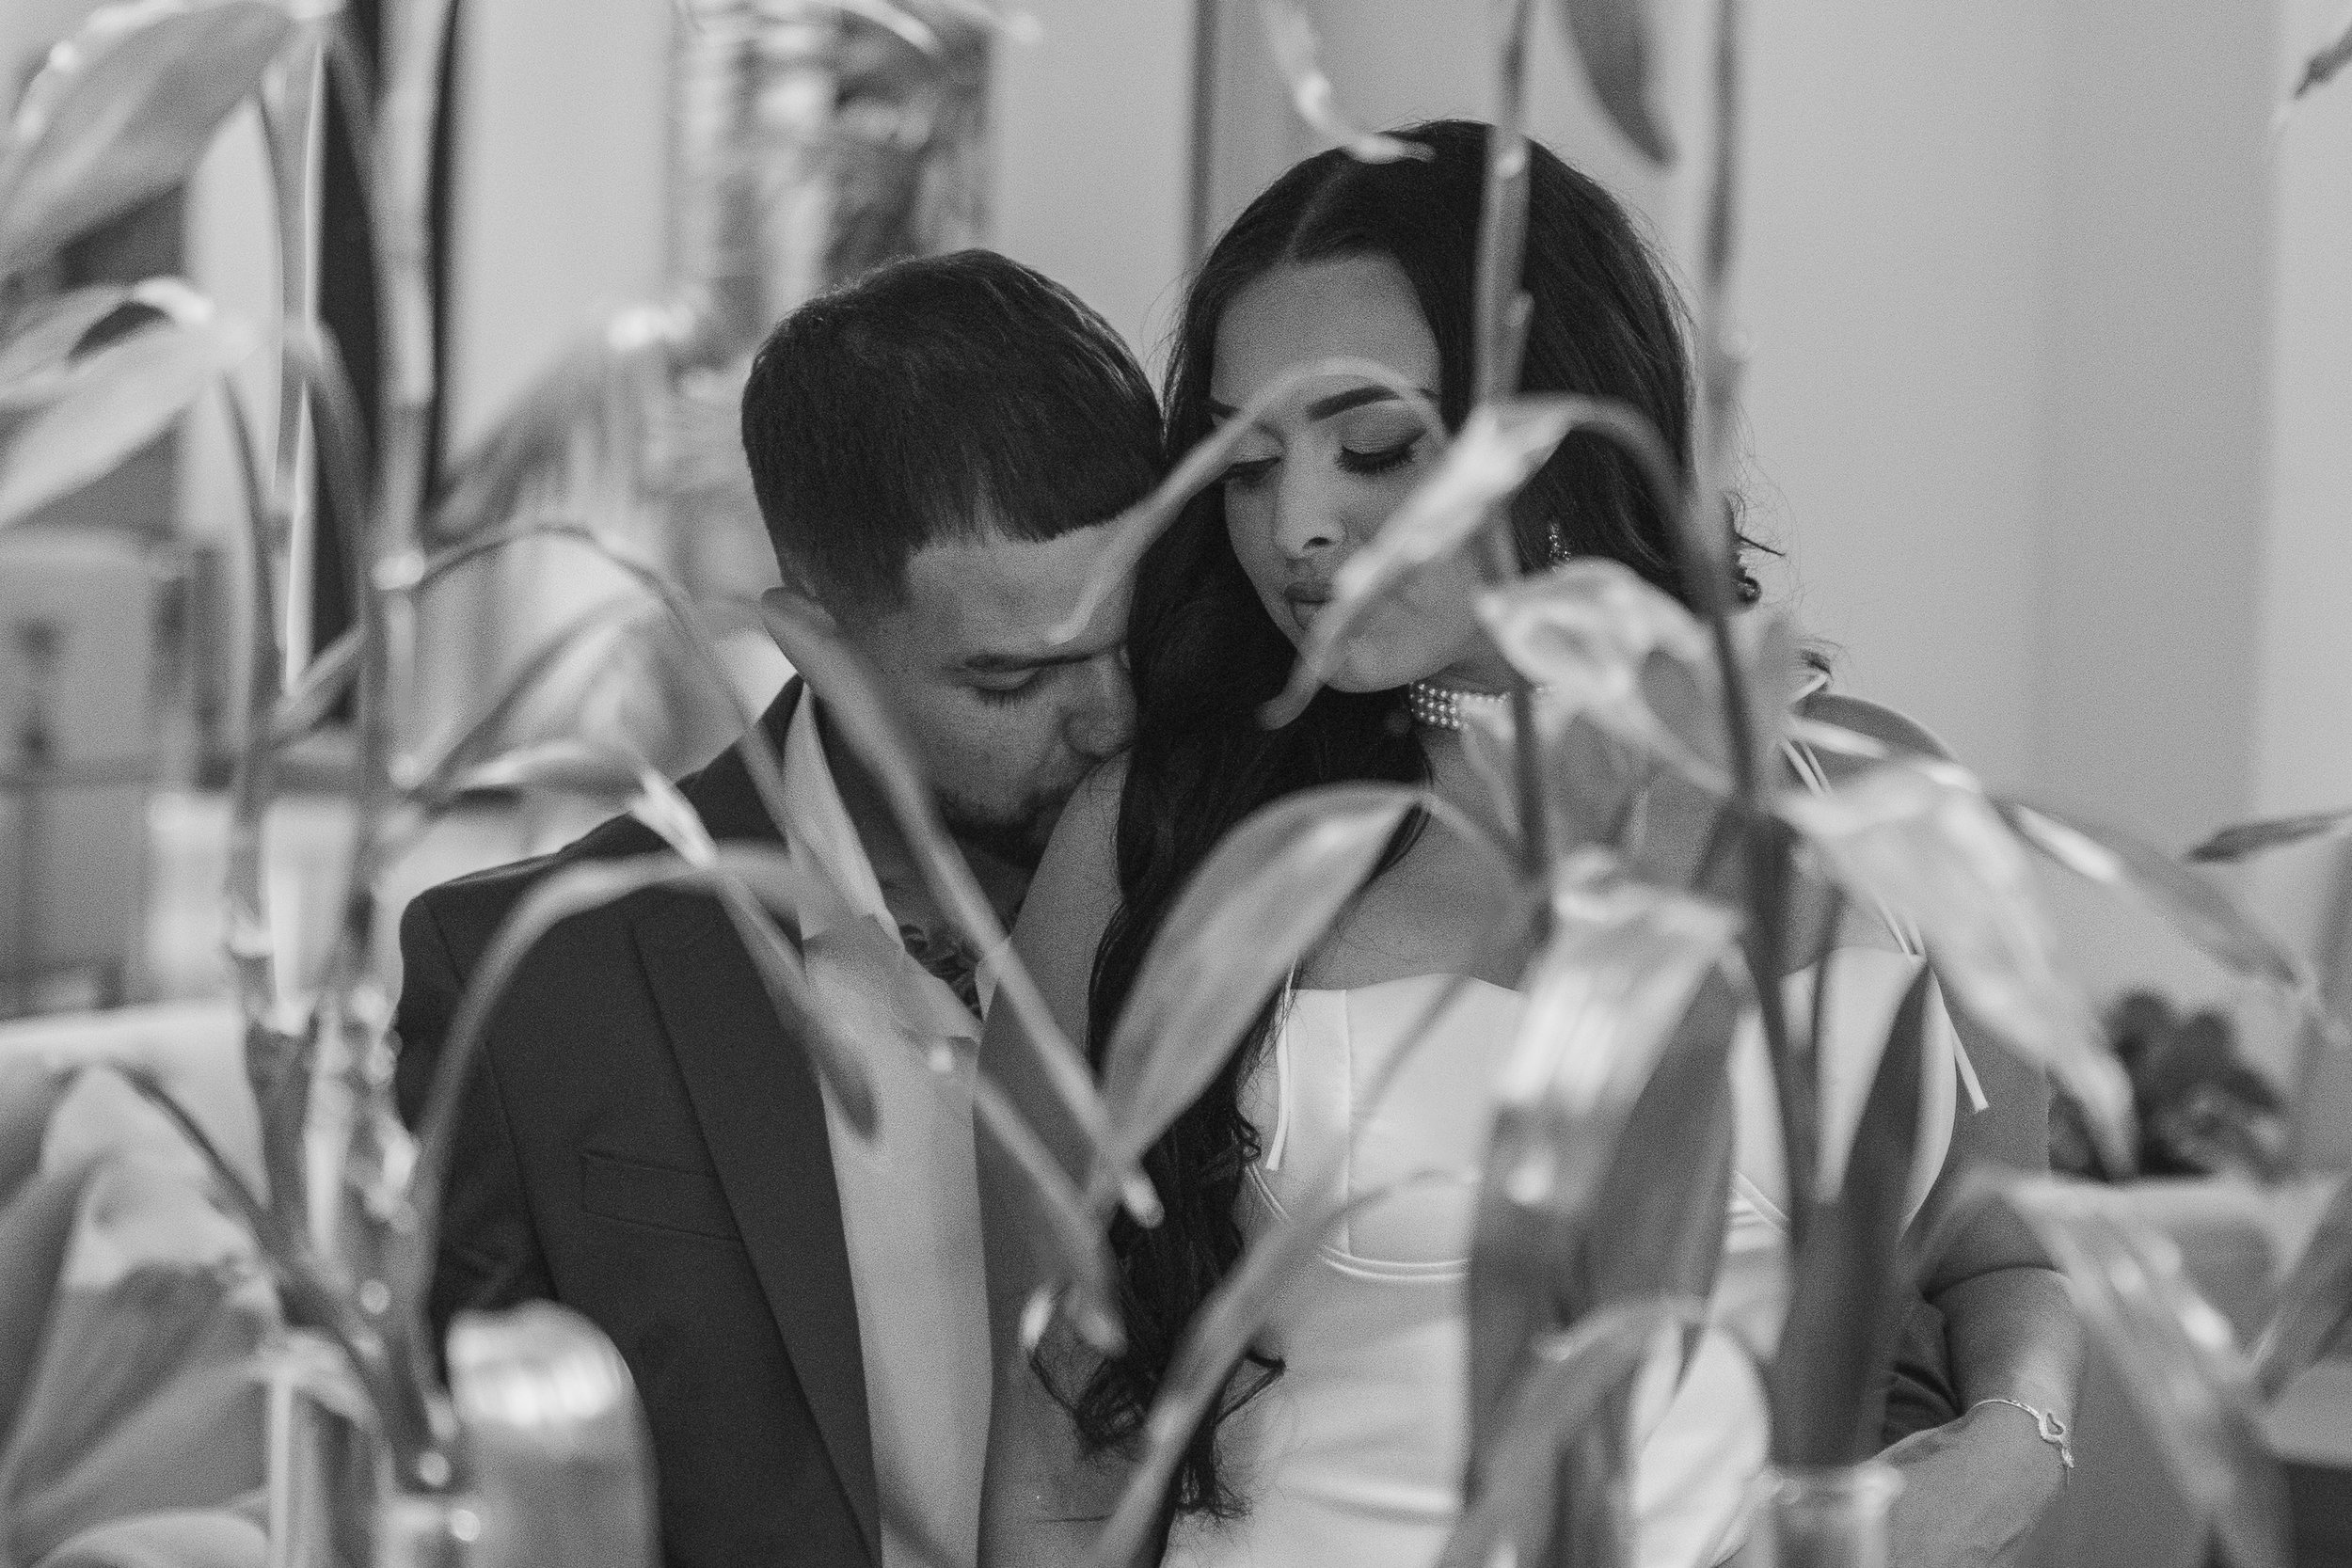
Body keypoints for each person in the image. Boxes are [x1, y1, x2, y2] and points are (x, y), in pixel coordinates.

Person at [978, 122, 2081, 1568]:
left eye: (1371, 446)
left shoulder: (1876, 795)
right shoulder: (1156, 836)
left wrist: (2011, 1454)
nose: (1296, 526)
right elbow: (1059, 1470)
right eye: (1246, 466)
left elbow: (2004, 1250)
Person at [392, 249, 1157, 1568]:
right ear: (813, 641)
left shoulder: (1239, 902)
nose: (1110, 720)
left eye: (1129, 641)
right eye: (1011, 680)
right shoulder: (537, 984)